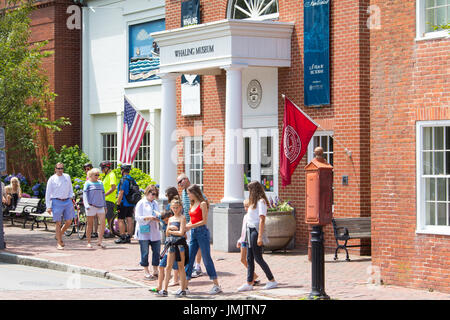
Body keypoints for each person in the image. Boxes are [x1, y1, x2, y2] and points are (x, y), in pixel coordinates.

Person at [237, 181, 278, 292]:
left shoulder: (261, 202)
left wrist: (260, 236)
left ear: (254, 190)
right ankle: (249, 283)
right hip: (250, 230)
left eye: (250, 190)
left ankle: (272, 280)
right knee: (250, 258)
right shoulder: (253, 203)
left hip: (255, 231)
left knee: (258, 258)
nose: (249, 193)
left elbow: (262, 219)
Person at [184, 184, 222, 295]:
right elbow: (192, 220)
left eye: (189, 193)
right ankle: (185, 286)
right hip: (194, 233)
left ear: (195, 192)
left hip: (202, 232)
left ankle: (216, 285)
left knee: (206, 259)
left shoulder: (203, 204)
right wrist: (185, 226)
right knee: (190, 259)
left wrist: (190, 226)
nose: (188, 195)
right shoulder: (192, 204)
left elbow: (204, 221)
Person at [158, 198, 188, 297]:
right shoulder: (170, 219)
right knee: (168, 267)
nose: (175, 209)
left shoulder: (182, 218)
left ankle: (183, 288)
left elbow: (181, 233)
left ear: (180, 208)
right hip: (171, 244)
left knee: (180, 267)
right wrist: (171, 229)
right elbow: (166, 233)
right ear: (171, 208)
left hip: (180, 245)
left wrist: (171, 231)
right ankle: (164, 289)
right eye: (173, 208)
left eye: (177, 208)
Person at [177, 173, 203, 278]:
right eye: (178, 183)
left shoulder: (195, 190)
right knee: (190, 245)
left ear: (186, 180)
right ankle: (191, 266)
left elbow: (203, 203)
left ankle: (197, 266)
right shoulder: (183, 192)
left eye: (180, 181)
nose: (179, 184)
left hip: (196, 222)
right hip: (187, 223)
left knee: (197, 245)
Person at [45, 162, 76, 250]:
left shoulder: (67, 176)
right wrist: (48, 206)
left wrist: (71, 197)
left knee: (69, 221)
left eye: (61, 168)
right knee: (58, 222)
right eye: (58, 168)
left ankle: (59, 235)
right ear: (55, 169)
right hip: (56, 201)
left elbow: (70, 188)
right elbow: (48, 193)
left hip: (67, 201)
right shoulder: (52, 179)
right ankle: (59, 242)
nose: (60, 170)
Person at [134, 184, 161, 280]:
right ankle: (146, 270)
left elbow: (158, 215)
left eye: (155, 194)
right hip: (144, 229)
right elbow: (137, 217)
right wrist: (148, 217)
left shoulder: (155, 203)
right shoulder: (141, 203)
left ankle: (155, 269)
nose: (153, 196)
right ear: (147, 192)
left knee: (156, 251)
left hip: (154, 230)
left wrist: (158, 219)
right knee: (145, 251)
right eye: (152, 193)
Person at [236, 199, 259, 286]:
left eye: (247, 206)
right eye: (244, 206)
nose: (245, 208)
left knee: (249, 259)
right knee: (242, 259)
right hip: (243, 239)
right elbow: (243, 230)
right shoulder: (245, 216)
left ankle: (252, 277)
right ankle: (254, 276)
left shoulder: (252, 217)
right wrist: (240, 239)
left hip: (248, 239)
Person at [83, 168, 107, 249]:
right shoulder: (87, 183)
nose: (97, 176)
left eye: (98, 175)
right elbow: (85, 195)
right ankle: (88, 242)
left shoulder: (100, 183)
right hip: (91, 206)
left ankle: (100, 241)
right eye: (95, 175)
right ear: (91, 175)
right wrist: (86, 205)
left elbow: (103, 195)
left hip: (100, 206)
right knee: (90, 224)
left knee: (103, 223)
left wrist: (105, 205)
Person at [154, 209, 174, 294]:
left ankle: (184, 287)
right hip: (167, 248)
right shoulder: (164, 221)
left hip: (174, 247)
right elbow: (158, 215)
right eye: (164, 221)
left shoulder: (175, 224)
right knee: (161, 266)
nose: (165, 222)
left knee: (178, 268)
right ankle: (159, 286)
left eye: (166, 220)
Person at [115, 165, 136, 244]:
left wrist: (118, 203)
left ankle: (122, 236)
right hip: (131, 203)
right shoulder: (132, 179)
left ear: (122, 170)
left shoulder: (123, 180)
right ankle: (129, 236)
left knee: (120, 219)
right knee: (129, 219)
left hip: (124, 202)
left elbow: (121, 192)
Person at [165, 187, 180, 286]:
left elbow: (168, 218)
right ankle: (174, 278)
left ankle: (175, 279)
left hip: (172, 234)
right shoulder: (178, 203)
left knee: (173, 258)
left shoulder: (172, 204)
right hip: (172, 232)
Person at [100, 161, 117, 238]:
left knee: (109, 217)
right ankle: (109, 231)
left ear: (106, 168)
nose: (101, 170)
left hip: (109, 199)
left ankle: (111, 232)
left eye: (102, 168)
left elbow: (113, 187)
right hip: (105, 199)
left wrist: (104, 194)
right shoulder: (106, 175)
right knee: (107, 216)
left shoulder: (111, 175)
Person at [83, 163, 98, 238]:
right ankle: (90, 231)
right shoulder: (87, 177)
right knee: (90, 216)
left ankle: (95, 232)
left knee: (94, 216)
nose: (86, 170)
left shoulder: (94, 176)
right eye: (85, 169)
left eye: (88, 169)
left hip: (94, 198)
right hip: (89, 198)